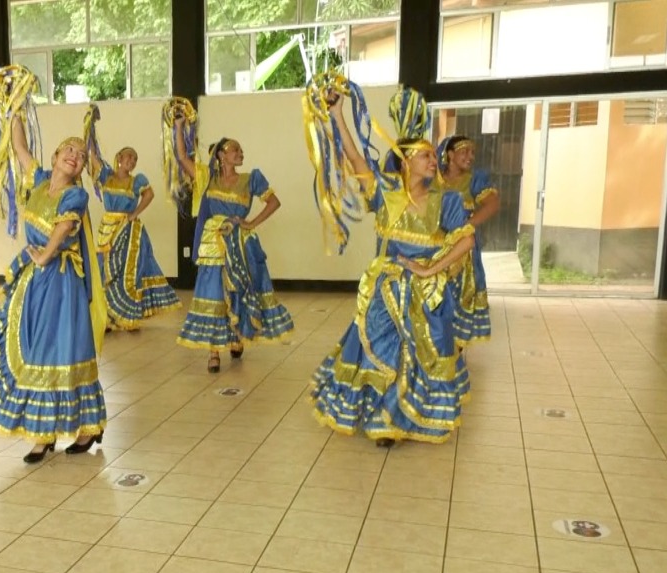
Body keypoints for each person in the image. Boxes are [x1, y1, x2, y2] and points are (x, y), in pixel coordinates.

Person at [306, 79, 478, 446]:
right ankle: (385, 421)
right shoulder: (384, 192)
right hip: (384, 289)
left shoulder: (444, 201)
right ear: (405, 162)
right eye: (426, 156)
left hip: (424, 294)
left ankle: (409, 416)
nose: (434, 161)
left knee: (419, 353)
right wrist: (337, 113)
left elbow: (466, 239)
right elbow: (355, 158)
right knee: (382, 349)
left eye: (434, 156)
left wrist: (430, 269)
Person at [0, 67, 107, 463]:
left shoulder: (76, 196)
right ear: (54, 156)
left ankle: (87, 428)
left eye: (80, 156)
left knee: (61, 349)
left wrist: (47, 255)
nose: (74, 156)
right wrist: (15, 106)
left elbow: (65, 229)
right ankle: (43, 432)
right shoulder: (37, 181)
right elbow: (18, 147)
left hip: (61, 280)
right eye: (69, 150)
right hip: (36, 280)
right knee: (34, 349)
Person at [169, 112, 294, 373]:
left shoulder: (252, 179)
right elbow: (182, 157)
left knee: (238, 290)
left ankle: (237, 336)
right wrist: (179, 127)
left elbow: (274, 202)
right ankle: (213, 352)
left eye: (241, 150)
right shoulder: (207, 178)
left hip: (240, 242)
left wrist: (250, 223)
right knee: (212, 292)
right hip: (213, 244)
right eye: (235, 149)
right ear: (221, 155)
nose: (240, 153)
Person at [84, 106, 180, 330]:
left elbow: (150, 194)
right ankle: (106, 315)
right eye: (129, 157)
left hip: (128, 230)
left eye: (135, 159)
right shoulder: (106, 176)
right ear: (119, 158)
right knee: (105, 270)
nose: (132, 161)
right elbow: (91, 155)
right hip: (108, 229)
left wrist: (134, 214)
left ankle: (127, 314)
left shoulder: (138, 180)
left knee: (127, 270)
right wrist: (89, 125)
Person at [436, 134, 499, 343]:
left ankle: (455, 347)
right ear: (450, 154)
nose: (470, 156)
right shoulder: (434, 177)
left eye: (472, 152)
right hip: (435, 247)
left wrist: (465, 227)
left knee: (459, 294)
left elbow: (492, 204)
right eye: (464, 151)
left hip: (463, 251)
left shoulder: (475, 179)